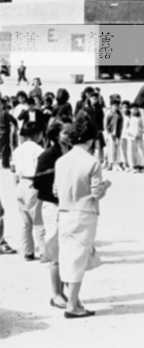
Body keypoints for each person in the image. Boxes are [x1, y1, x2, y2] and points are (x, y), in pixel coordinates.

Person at [54, 114, 111, 318]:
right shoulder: (92, 162)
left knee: (68, 257)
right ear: (91, 138)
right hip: (84, 212)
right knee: (78, 258)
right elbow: (96, 193)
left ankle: (74, 300)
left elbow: (55, 190)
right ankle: (72, 304)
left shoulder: (61, 161)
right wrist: (105, 187)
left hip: (64, 211)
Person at [33, 120, 72, 309]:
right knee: (56, 251)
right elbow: (38, 183)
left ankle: (64, 292)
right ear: (56, 135)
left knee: (68, 250)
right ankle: (56, 294)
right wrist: (56, 192)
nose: (69, 136)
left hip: (69, 206)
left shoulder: (73, 153)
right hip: (53, 206)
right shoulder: (47, 155)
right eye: (65, 133)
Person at [12, 121, 45, 261]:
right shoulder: (39, 150)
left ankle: (28, 252)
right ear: (38, 134)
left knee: (25, 222)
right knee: (39, 221)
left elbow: (13, 170)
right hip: (33, 183)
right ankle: (44, 251)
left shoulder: (17, 150)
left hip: (21, 183)